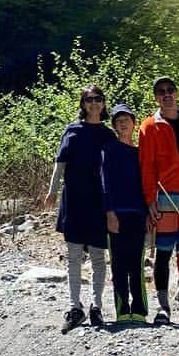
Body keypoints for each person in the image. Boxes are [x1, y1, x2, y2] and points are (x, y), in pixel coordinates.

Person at [44, 85, 113, 333]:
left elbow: (114, 171)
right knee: (73, 255)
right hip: (73, 200)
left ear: (104, 104)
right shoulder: (72, 130)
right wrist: (52, 191)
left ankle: (96, 306)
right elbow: (59, 163)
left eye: (98, 99)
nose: (94, 103)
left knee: (97, 255)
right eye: (89, 100)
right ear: (83, 104)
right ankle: (75, 308)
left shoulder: (108, 134)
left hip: (98, 202)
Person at [138, 75, 179, 325]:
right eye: (160, 91)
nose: (166, 95)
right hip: (164, 197)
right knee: (163, 253)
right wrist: (149, 200)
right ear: (155, 97)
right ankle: (164, 307)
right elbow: (146, 166)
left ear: (177, 94)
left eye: (170, 90)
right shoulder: (148, 126)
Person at [101, 102, 148, 323]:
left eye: (126, 119)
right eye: (118, 120)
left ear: (133, 123)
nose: (122, 123)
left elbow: (147, 185)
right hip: (116, 215)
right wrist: (109, 212)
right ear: (114, 125)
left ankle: (139, 309)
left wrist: (149, 213)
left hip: (138, 214)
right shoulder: (108, 151)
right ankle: (122, 309)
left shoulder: (141, 153)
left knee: (136, 264)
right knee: (118, 264)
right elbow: (104, 184)